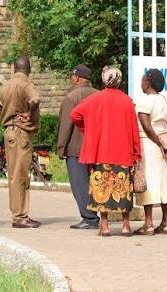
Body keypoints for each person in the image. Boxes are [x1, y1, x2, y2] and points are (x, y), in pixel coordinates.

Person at [71, 66, 141, 237]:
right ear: (119, 80)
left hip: (100, 152)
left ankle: (105, 226)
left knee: (101, 189)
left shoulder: (95, 99)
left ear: (104, 80)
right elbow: (134, 131)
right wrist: (137, 153)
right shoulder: (127, 101)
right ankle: (125, 226)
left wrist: (88, 129)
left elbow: (75, 114)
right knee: (123, 190)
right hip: (123, 153)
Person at [0, 57, 41, 228]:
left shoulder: (5, 86)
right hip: (21, 134)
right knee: (20, 176)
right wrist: (28, 113)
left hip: (9, 132)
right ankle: (20, 217)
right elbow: (35, 99)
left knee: (14, 174)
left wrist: (8, 118)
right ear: (28, 68)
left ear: (14, 69)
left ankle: (19, 214)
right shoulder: (25, 84)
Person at [133, 69, 167, 235]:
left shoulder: (144, 101)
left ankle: (148, 224)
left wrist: (157, 142)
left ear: (148, 83)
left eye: (143, 80)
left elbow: (146, 126)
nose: (141, 83)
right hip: (164, 145)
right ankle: (165, 222)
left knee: (148, 182)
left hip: (148, 143)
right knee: (164, 181)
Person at [57, 64, 100, 229]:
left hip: (76, 148)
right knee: (96, 181)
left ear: (76, 78)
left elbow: (65, 125)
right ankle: (99, 213)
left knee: (80, 184)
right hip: (97, 147)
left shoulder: (72, 97)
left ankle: (89, 218)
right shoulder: (99, 95)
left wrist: (61, 148)